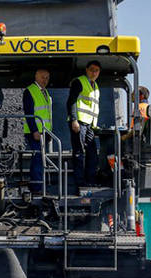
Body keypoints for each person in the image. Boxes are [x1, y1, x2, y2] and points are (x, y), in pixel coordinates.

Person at [67, 60, 101, 189]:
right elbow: (71, 101)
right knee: (79, 153)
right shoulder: (79, 82)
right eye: (92, 69)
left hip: (90, 125)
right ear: (86, 70)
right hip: (79, 122)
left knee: (92, 153)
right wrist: (74, 119)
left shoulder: (95, 86)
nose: (94, 72)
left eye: (96, 70)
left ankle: (90, 180)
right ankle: (80, 182)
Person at [23, 68, 52, 194]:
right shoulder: (30, 91)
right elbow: (29, 113)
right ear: (36, 77)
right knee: (38, 157)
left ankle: (39, 184)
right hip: (34, 132)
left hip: (44, 132)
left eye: (47, 78)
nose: (45, 80)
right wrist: (34, 131)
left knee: (40, 158)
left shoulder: (45, 92)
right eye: (42, 77)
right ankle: (36, 187)